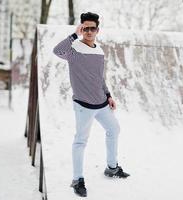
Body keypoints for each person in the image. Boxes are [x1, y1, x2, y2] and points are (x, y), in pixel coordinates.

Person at [53, 12, 130, 197]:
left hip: (101, 103)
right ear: (81, 28)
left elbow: (98, 78)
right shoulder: (73, 50)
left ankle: (112, 167)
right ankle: (77, 179)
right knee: (80, 141)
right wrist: (73, 35)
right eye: (85, 28)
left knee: (114, 130)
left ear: (97, 30)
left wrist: (108, 95)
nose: (88, 31)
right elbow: (57, 51)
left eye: (92, 28)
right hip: (83, 105)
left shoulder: (99, 51)